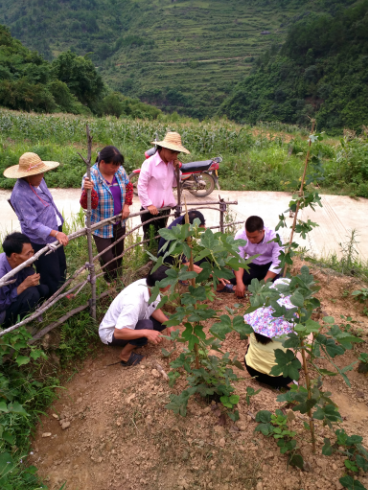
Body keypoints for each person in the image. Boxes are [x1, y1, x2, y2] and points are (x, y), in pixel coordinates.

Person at [4, 152, 68, 297]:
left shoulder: (39, 181)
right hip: (41, 239)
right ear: (28, 176)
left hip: (54, 229)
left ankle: (63, 292)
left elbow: (48, 203)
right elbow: (32, 224)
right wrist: (55, 233)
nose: (42, 176)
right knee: (49, 270)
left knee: (60, 263)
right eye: (39, 173)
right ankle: (54, 299)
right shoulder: (20, 194)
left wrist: (57, 230)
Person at [99, 265, 175, 366]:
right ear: (163, 284)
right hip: (111, 334)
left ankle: (137, 339)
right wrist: (146, 332)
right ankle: (125, 355)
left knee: (164, 321)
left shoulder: (151, 287)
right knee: (147, 326)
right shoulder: (133, 302)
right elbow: (118, 333)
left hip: (131, 321)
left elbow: (154, 308)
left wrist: (169, 324)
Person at [243, 279, 311, 389]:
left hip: (251, 369)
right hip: (279, 378)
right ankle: (290, 382)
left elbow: (247, 333)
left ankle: (258, 357)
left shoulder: (256, 315)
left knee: (252, 333)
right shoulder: (292, 325)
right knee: (308, 335)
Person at [80, 146, 133, 283]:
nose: (116, 169)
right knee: (107, 257)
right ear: (102, 162)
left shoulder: (119, 171)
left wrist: (126, 205)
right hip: (101, 225)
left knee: (118, 254)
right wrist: (88, 192)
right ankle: (111, 281)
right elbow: (87, 205)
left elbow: (129, 187)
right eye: (113, 166)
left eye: (118, 165)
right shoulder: (90, 177)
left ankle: (117, 280)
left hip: (119, 221)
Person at [158, 210, 233, 292]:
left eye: (204, 224)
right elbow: (186, 265)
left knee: (208, 259)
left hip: (182, 257)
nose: (204, 228)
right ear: (190, 227)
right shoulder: (177, 238)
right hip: (171, 263)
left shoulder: (184, 221)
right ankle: (215, 284)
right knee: (198, 268)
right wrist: (213, 274)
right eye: (200, 227)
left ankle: (216, 282)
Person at [138, 132, 190, 243]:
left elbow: (175, 184)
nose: (175, 156)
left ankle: (158, 259)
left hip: (165, 209)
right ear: (163, 148)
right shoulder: (150, 163)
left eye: (177, 153)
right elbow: (141, 186)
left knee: (161, 239)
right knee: (149, 240)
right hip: (150, 209)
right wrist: (148, 204)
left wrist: (177, 170)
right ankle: (148, 260)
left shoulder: (172, 165)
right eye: (172, 152)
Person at [0, 233, 49, 327]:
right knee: (32, 293)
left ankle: (30, 312)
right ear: (14, 256)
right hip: (3, 313)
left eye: (32, 252)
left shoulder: (20, 261)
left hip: (14, 299)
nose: (33, 256)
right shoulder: (1, 274)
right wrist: (22, 286)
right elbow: (1, 306)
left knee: (44, 289)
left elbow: (29, 276)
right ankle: (17, 325)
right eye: (28, 254)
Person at [231, 216, 281, 298]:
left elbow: (277, 264)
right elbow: (238, 260)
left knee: (279, 282)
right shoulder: (240, 235)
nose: (251, 240)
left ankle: (258, 284)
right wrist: (239, 282)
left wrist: (263, 285)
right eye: (248, 236)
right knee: (232, 277)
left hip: (269, 266)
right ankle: (244, 285)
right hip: (252, 265)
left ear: (263, 231)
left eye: (254, 237)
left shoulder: (275, 236)